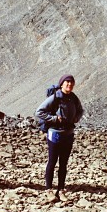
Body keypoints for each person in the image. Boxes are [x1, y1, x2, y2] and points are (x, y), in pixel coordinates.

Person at [35, 74, 84, 202]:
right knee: (52, 161)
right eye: (67, 82)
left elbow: (80, 110)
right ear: (62, 84)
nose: (69, 85)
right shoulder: (55, 97)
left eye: (71, 83)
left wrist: (76, 118)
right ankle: (49, 190)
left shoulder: (73, 98)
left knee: (63, 164)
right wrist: (54, 119)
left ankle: (61, 190)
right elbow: (39, 111)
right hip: (55, 133)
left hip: (68, 134)